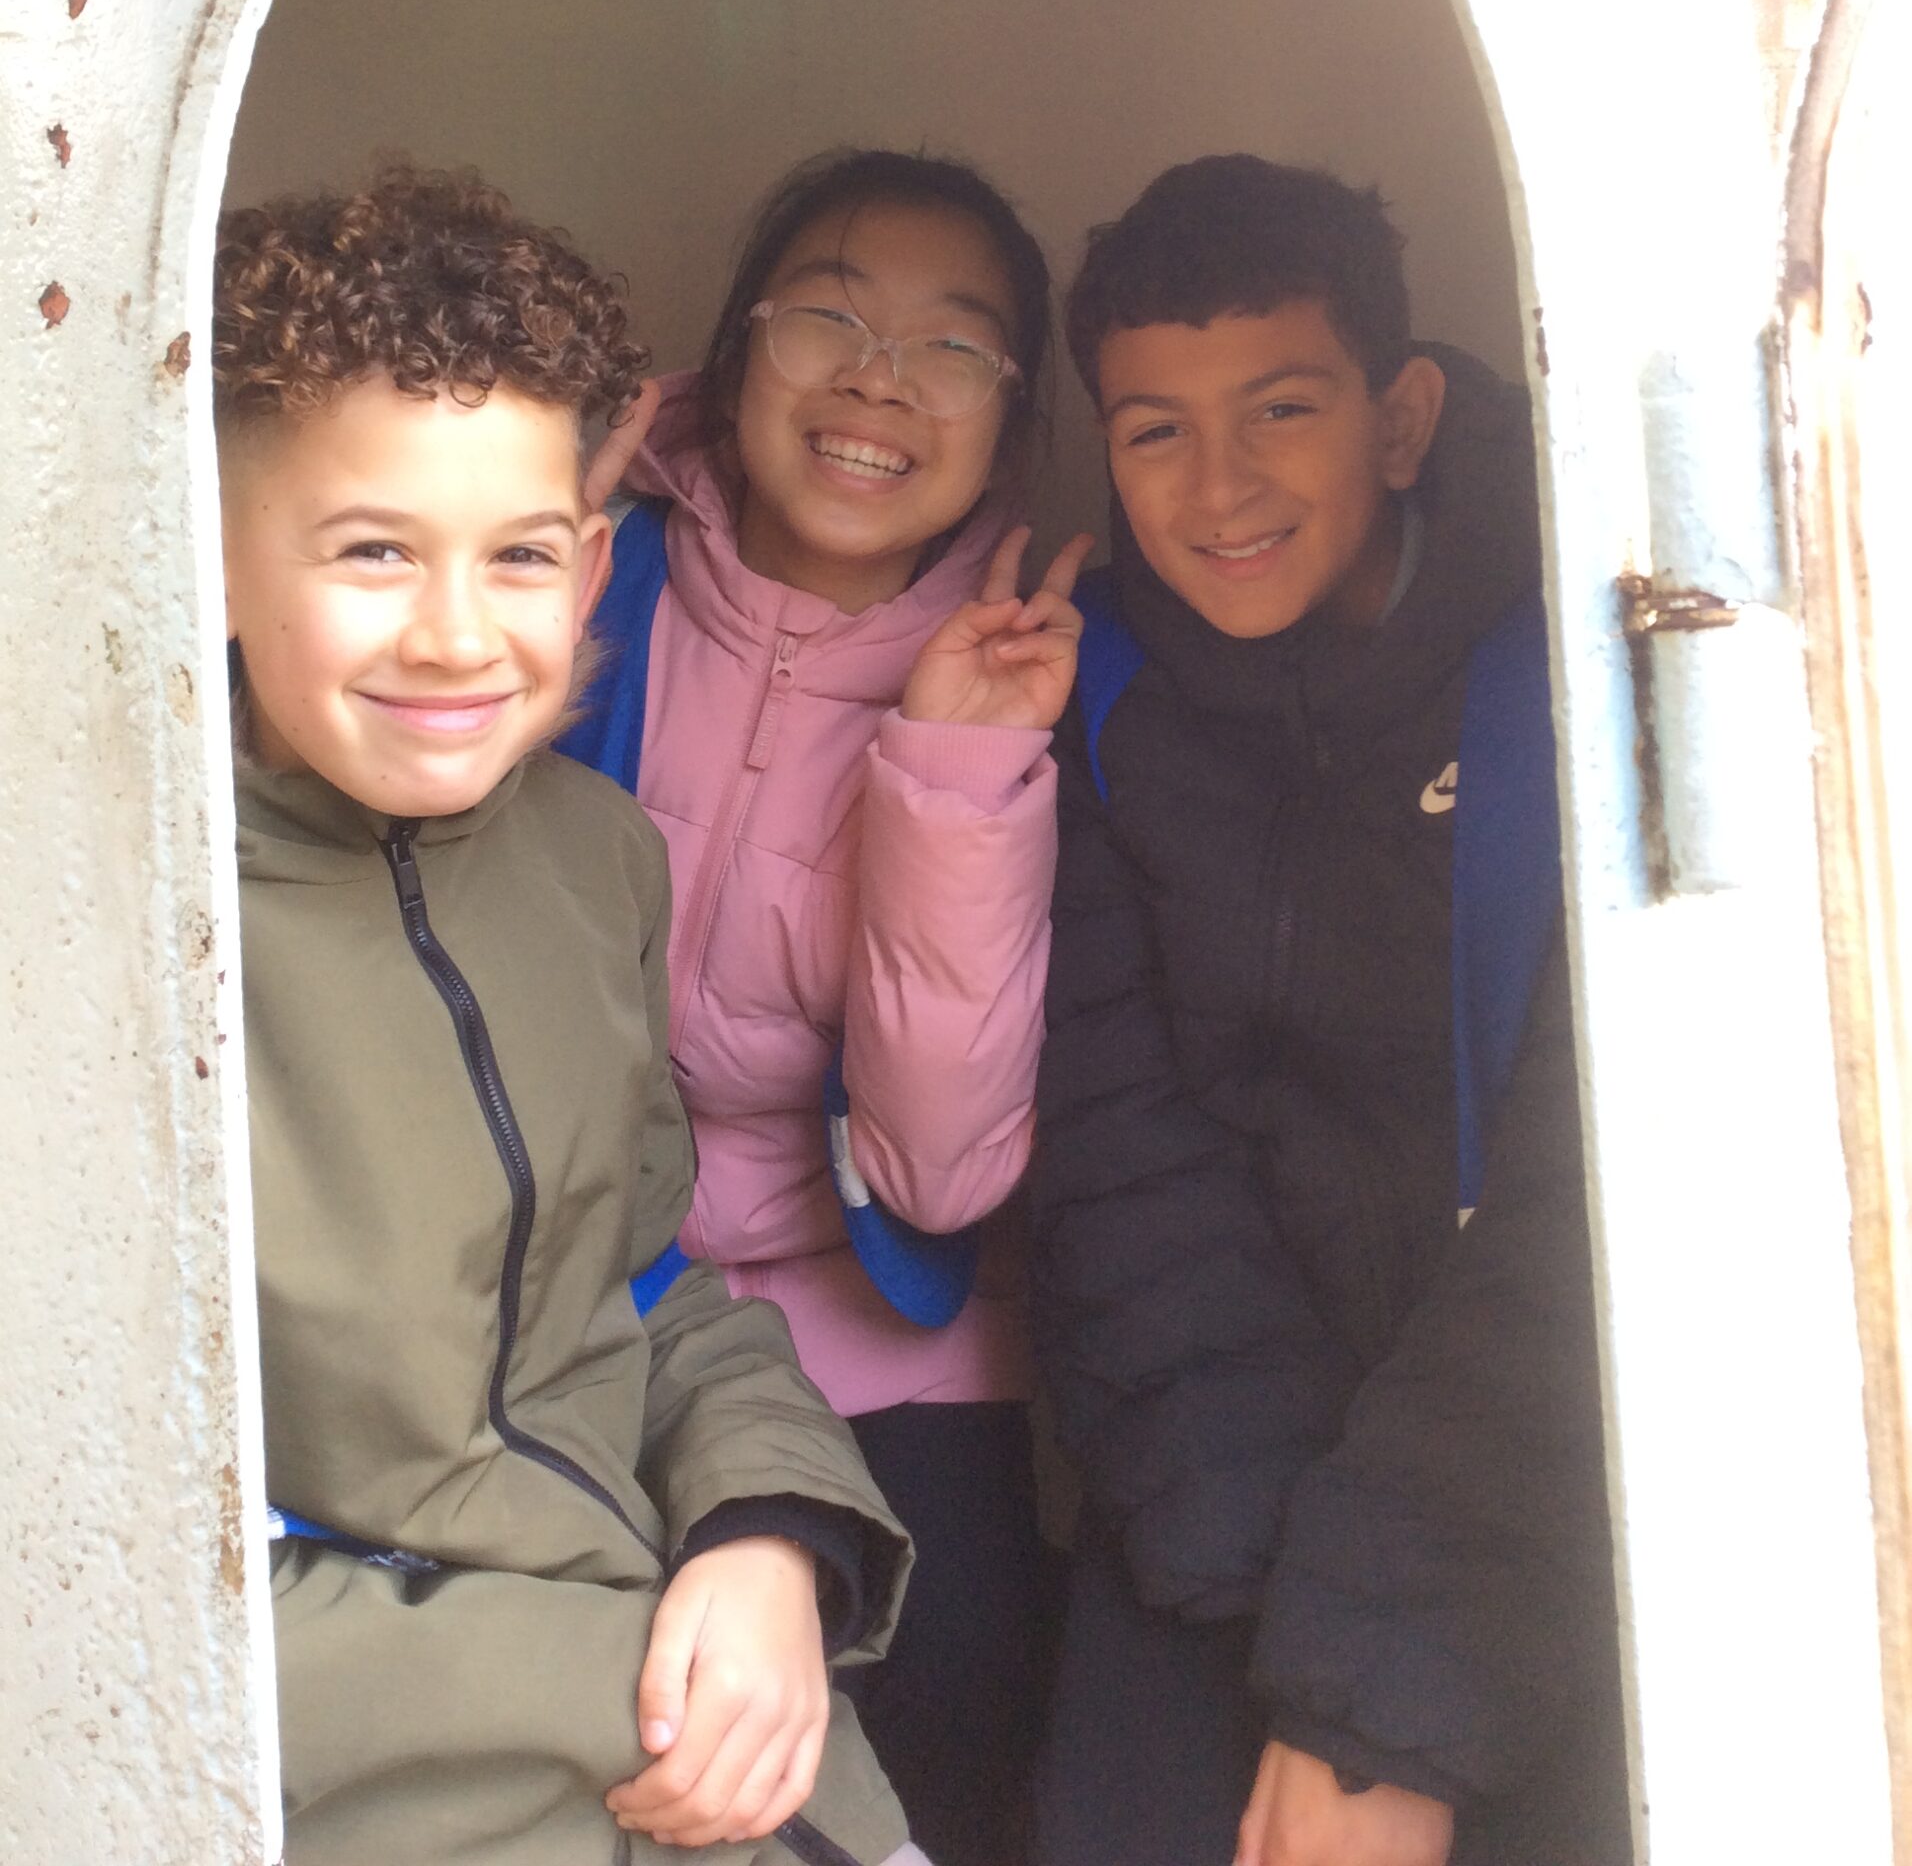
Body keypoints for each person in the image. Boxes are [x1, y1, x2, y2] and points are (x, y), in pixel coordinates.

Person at [217, 163, 930, 1866]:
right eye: (375, 551)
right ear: (209, 552)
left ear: (593, 564)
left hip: (713, 1745)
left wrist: (767, 1535)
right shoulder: (106, 929)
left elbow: (645, 1291)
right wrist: (604, 1676)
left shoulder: (597, 862)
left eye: (520, 556)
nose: (456, 636)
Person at [1028, 157, 1630, 1866]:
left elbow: (1584, 1215)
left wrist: (1380, 1676)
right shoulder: (1102, 694)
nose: (1219, 487)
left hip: (1539, 1470)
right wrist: (1283, 1603)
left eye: (1281, 410)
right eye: (1155, 430)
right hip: (1220, 1472)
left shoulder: (1564, 665)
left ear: (1403, 417)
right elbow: (1122, 1162)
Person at [570, 148, 1089, 1866]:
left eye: (953, 347)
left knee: (943, 1714)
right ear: (737, 355)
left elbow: (940, 1177)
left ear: (1010, 426)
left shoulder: (1038, 672)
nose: (880, 382)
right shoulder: (590, 574)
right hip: (589, 1292)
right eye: (830, 319)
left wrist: (953, 767)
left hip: (892, 1334)